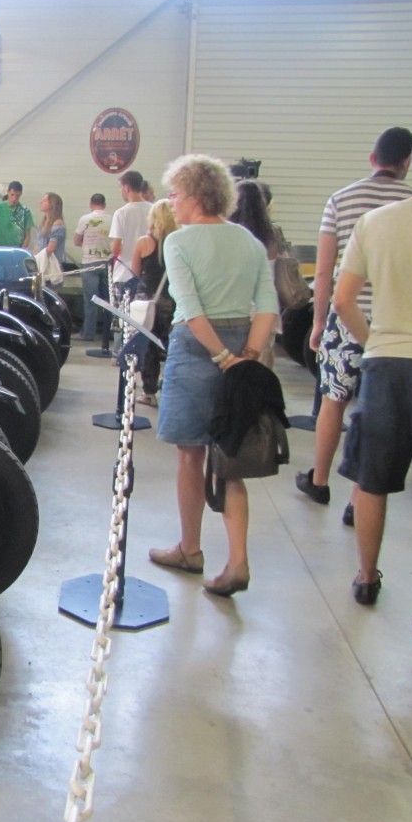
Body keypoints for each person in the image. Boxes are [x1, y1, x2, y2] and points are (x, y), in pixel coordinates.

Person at [332, 127, 412, 645]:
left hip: (384, 363)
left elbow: (342, 301)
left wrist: (374, 341)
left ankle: (366, 578)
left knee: (371, 479)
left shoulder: (373, 222)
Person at [147, 154, 278, 597]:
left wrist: (221, 356)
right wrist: (247, 355)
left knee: (191, 455)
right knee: (231, 457)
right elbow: (267, 307)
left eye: (175, 194)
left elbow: (191, 307)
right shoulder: (249, 242)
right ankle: (238, 560)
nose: (172, 202)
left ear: (197, 196)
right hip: (244, 346)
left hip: (199, 348)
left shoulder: (179, 242)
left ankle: (190, 548)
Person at [295, 127, 412, 521]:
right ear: (407, 162)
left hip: (345, 319)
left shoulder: (341, 199)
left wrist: (318, 322)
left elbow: (326, 271)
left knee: (334, 401)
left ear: (372, 159)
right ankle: (359, 498)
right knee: (376, 410)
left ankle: (321, 479)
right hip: (393, 322)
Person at [130, 199, 178, 404]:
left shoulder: (143, 242)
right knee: (172, 346)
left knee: (148, 346)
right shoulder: (178, 241)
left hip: (146, 300)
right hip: (172, 300)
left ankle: (149, 393)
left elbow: (135, 271)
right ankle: (171, 388)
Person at [229, 179, 281, 367]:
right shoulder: (271, 233)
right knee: (258, 368)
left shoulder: (230, 234)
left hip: (234, 309)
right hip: (265, 308)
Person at [109, 170, 152, 300]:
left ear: (126, 187)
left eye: (121, 187)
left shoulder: (121, 213)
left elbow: (115, 248)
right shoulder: (153, 210)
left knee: (123, 317)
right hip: (148, 273)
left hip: (125, 273)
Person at [74, 193, 112, 340]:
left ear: (91, 204)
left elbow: (77, 241)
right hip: (107, 262)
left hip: (89, 262)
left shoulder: (85, 219)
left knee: (90, 300)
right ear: (104, 204)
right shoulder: (111, 219)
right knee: (108, 301)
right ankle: (109, 334)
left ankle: (88, 333)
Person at [0, 181, 33, 247]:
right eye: (12, 195)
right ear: (7, 192)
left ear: (21, 194)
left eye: (17, 196)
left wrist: (21, 251)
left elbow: (27, 236)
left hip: (16, 250)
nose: (14, 199)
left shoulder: (25, 211)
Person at [34, 192, 66, 286]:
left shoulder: (58, 224)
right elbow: (38, 244)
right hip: (40, 266)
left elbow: (51, 248)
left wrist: (37, 257)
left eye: (44, 201)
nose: (41, 202)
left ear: (51, 204)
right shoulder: (44, 223)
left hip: (50, 270)